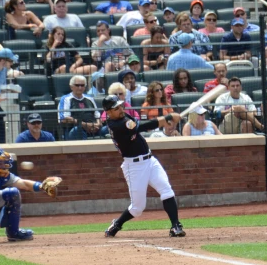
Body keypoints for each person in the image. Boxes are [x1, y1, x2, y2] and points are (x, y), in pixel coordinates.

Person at [102, 94, 185, 237]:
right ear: (108, 112)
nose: (121, 109)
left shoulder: (123, 117)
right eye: (116, 108)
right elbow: (144, 126)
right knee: (137, 208)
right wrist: (167, 118)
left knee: (167, 190)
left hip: (150, 160)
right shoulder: (117, 125)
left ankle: (175, 226)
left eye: (120, 106)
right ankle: (117, 224)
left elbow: (139, 126)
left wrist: (167, 120)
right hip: (134, 166)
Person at [58, 75, 101, 140]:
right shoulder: (65, 99)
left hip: (94, 128)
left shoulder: (90, 98)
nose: (80, 87)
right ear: (71, 86)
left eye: (82, 85)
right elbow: (64, 118)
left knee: (106, 129)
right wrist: (85, 125)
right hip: (76, 129)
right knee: (76, 130)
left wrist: (97, 125)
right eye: (77, 85)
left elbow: (98, 116)